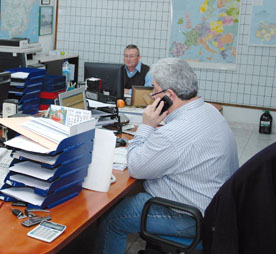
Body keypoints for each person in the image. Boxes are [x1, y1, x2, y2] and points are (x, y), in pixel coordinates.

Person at [94, 58, 239, 254]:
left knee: (111, 218)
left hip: (189, 217)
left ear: (169, 96)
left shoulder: (175, 133)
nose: (152, 97)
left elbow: (136, 166)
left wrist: (147, 125)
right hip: (217, 210)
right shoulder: (210, 112)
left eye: (154, 91)